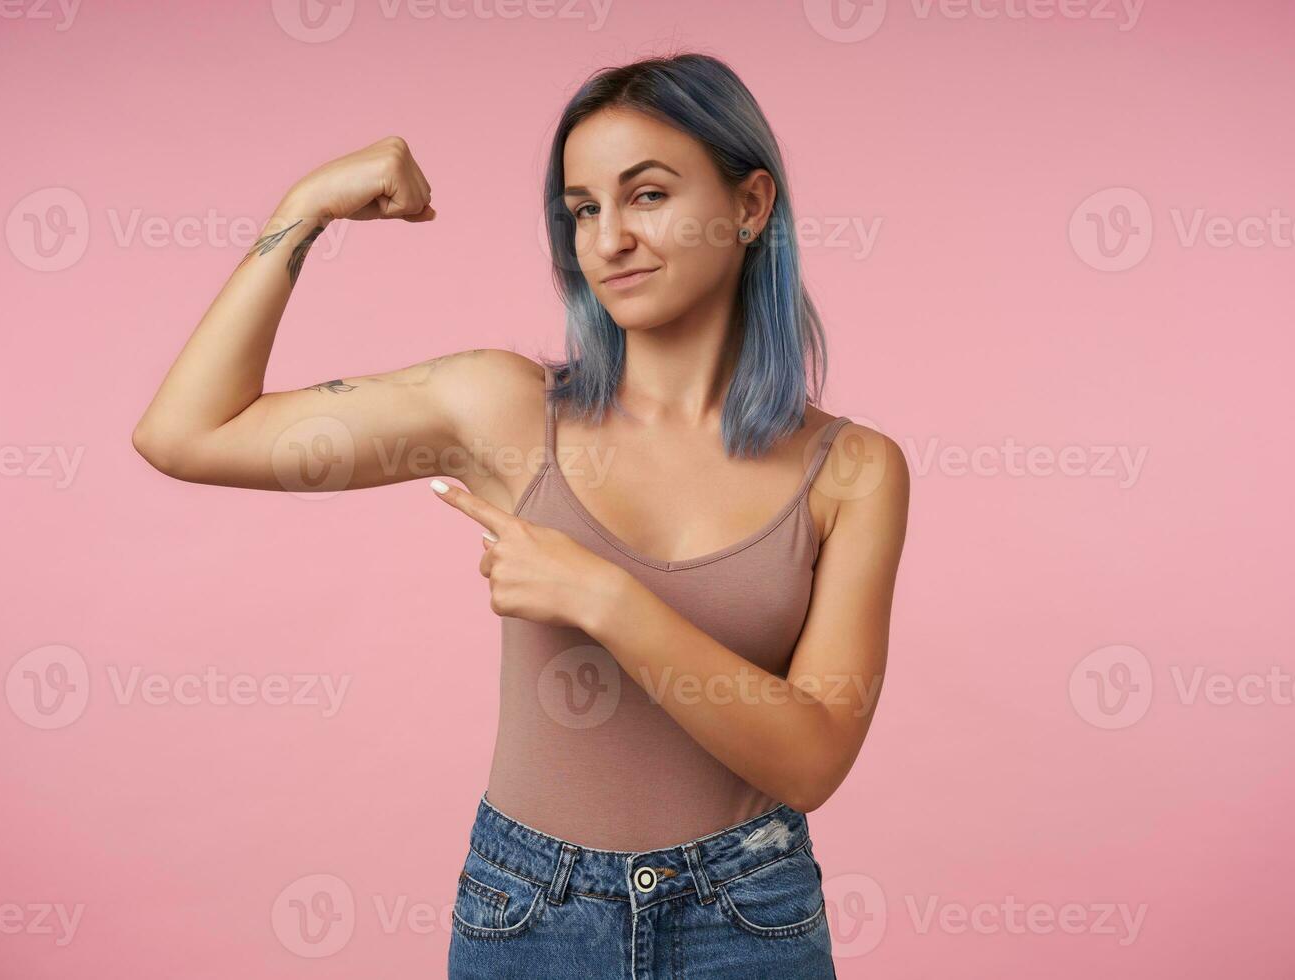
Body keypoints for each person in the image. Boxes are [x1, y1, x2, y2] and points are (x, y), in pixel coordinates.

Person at [133, 51, 909, 980]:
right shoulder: (503, 409)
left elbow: (814, 760)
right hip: (533, 913)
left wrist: (607, 599)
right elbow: (187, 433)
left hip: (749, 918)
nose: (609, 238)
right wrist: (308, 205)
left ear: (750, 206)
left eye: (648, 195)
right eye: (583, 209)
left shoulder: (854, 471)